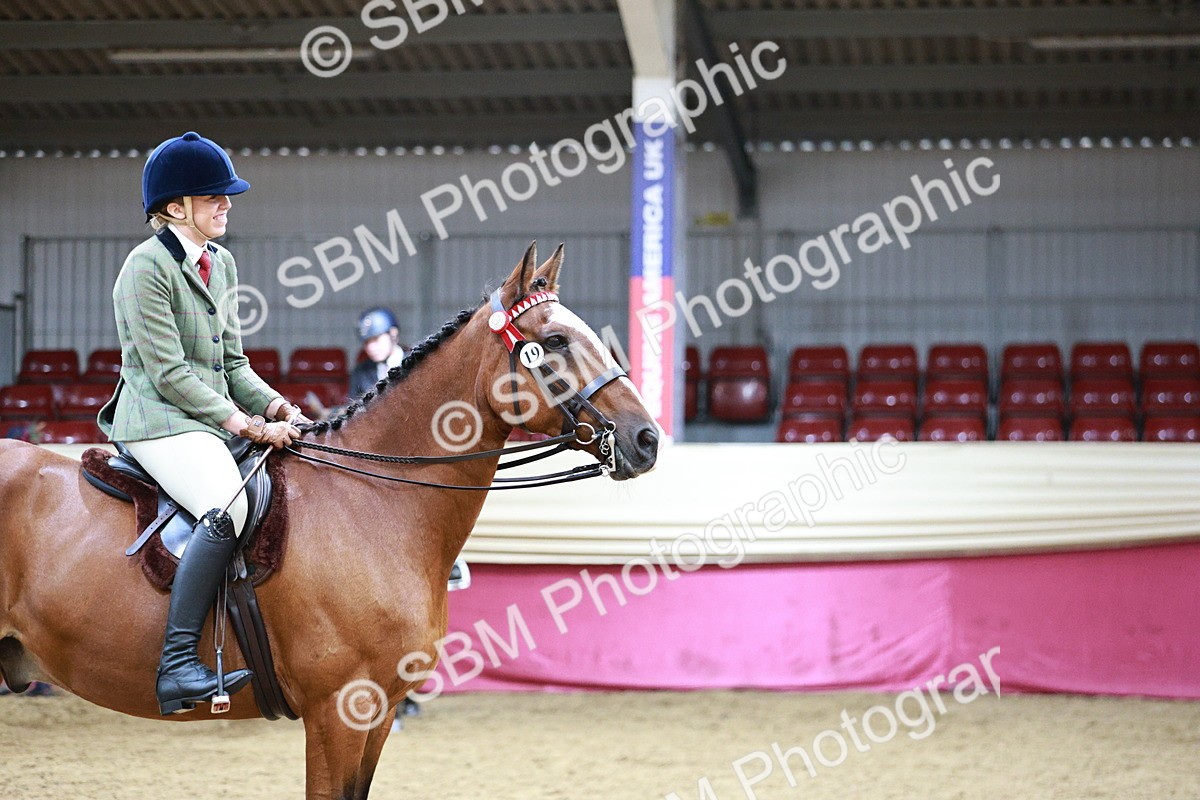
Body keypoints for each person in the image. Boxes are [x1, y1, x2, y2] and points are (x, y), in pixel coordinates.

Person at [97, 131, 308, 716]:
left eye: (225, 195)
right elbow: (168, 374)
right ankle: (177, 664)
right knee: (227, 506)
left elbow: (231, 364)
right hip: (158, 418)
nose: (226, 204)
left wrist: (280, 409)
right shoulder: (144, 269)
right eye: (213, 196)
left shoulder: (222, 263)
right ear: (174, 208)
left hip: (205, 419)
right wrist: (247, 426)